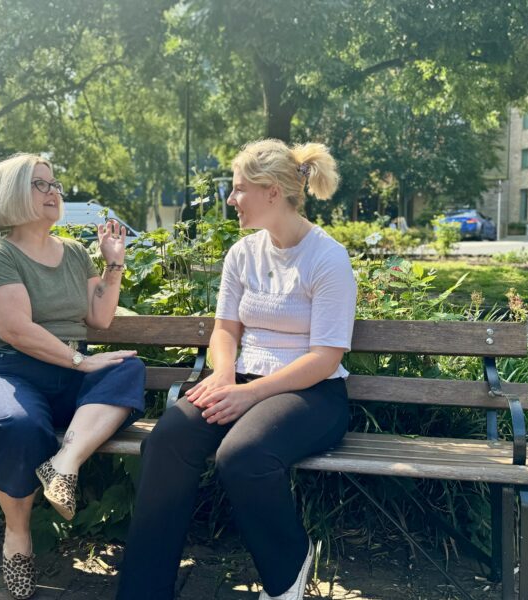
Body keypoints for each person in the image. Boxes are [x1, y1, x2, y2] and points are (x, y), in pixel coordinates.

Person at [116, 139, 356, 600]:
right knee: (166, 442)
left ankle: (288, 573)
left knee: (242, 457)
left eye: (238, 189)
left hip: (312, 393)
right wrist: (224, 375)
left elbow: (326, 357)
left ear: (272, 192)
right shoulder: (243, 255)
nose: (231, 200)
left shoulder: (327, 258)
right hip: (240, 383)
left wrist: (251, 394)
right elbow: (224, 331)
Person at [0, 153, 145, 599]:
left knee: (128, 367)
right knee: (16, 426)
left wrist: (113, 264)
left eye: (55, 185)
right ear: (11, 194)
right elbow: (15, 329)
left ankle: (63, 464)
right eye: (40, 184)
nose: (54, 192)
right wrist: (79, 361)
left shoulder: (76, 253)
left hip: (68, 369)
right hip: (9, 370)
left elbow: (99, 319)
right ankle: (18, 535)